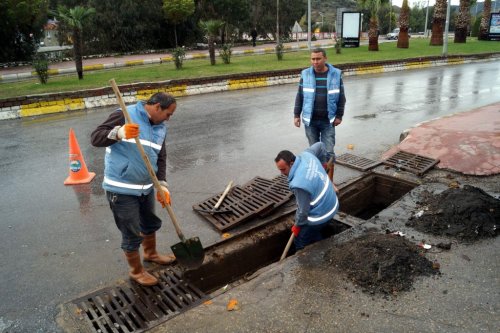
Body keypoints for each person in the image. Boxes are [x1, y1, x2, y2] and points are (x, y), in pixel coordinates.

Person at [91, 92, 177, 287]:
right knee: (131, 231)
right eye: (168, 114)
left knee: (149, 222)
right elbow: (95, 138)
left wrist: (162, 185)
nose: (169, 119)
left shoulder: (160, 127)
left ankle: (151, 253)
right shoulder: (125, 114)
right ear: (157, 108)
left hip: (145, 188)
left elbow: (160, 156)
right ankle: (136, 271)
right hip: (121, 189)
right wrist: (118, 133)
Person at [294, 48, 346, 188]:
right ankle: (318, 180)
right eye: (313, 59)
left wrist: (339, 116)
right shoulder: (305, 74)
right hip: (310, 121)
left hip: (328, 121)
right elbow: (300, 96)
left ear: (325, 59)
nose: (315, 62)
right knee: (315, 151)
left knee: (329, 152)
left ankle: (329, 182)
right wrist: (296, 115)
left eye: (318, 59)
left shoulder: (335, 74)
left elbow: (341, 97)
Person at [275, 142, 339, 250]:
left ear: (291, 164)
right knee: (314, 233)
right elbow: (320, 145)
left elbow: (303, 211)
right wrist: (323, 164)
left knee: (300, 239)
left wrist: (297, 226)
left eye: (283, 169)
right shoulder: (307, 155)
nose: (282, 173)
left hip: (322, 215)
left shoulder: (299, 184)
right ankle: (321, 244)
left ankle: (303, 260)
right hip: (333, 204)